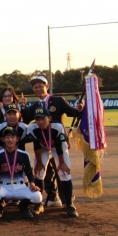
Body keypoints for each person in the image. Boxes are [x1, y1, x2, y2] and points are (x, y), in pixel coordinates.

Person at [23, 75, 82, 206]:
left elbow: (71, 112)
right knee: (45, 173)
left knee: (62, 170)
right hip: (43, 144)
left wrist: (78, 110)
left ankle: (66, 200)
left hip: (58, 143)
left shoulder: (58, 100)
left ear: (47, 87)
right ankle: (52, 198)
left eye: (40, 86)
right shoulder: (34, 106)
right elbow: (26, 120)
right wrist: (23, 107)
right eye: (35, 87)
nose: (38, 89)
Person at [26, 107, 78, 217]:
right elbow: (36, 146)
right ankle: (38, 203)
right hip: (43, 147)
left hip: (58, 148)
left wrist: (62, 163)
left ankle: (69, 204)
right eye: (38, 119)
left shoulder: (57, 126)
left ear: (49, 118)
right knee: (39, 173)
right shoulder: (32, 127)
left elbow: (59, 145)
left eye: (43, 119)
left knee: (64, 173)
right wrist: (39, 162)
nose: (40, 122)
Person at [0, 126, 41, 219]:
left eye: (13, 137)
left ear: (17, 139)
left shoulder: (24, 155)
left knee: (38, 197)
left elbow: (29, 172)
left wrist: (32, 184)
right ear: (3, 139)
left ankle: (23, 206)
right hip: (4, 186)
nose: (10, 140)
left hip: (20, 186)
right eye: (7, 137)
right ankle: (0, 206)